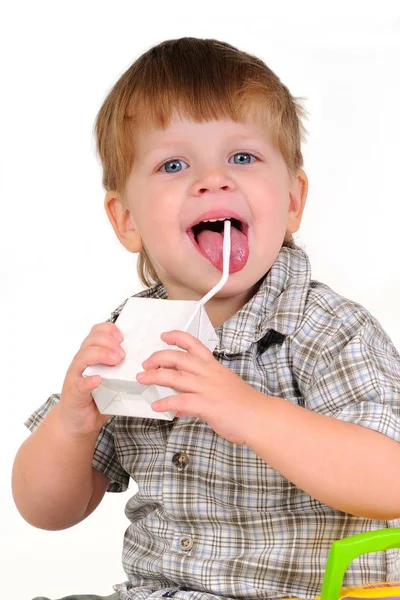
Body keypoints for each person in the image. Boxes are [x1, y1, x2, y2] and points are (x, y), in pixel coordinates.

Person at [12, 37, 400, 600]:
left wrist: (248, 411)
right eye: (173, 164)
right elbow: (44, 511)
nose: (213, 179)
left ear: (292, 200)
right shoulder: (132, 334)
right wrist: (73, 425)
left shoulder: (327, 330)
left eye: (242, 157)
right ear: (127, 221)